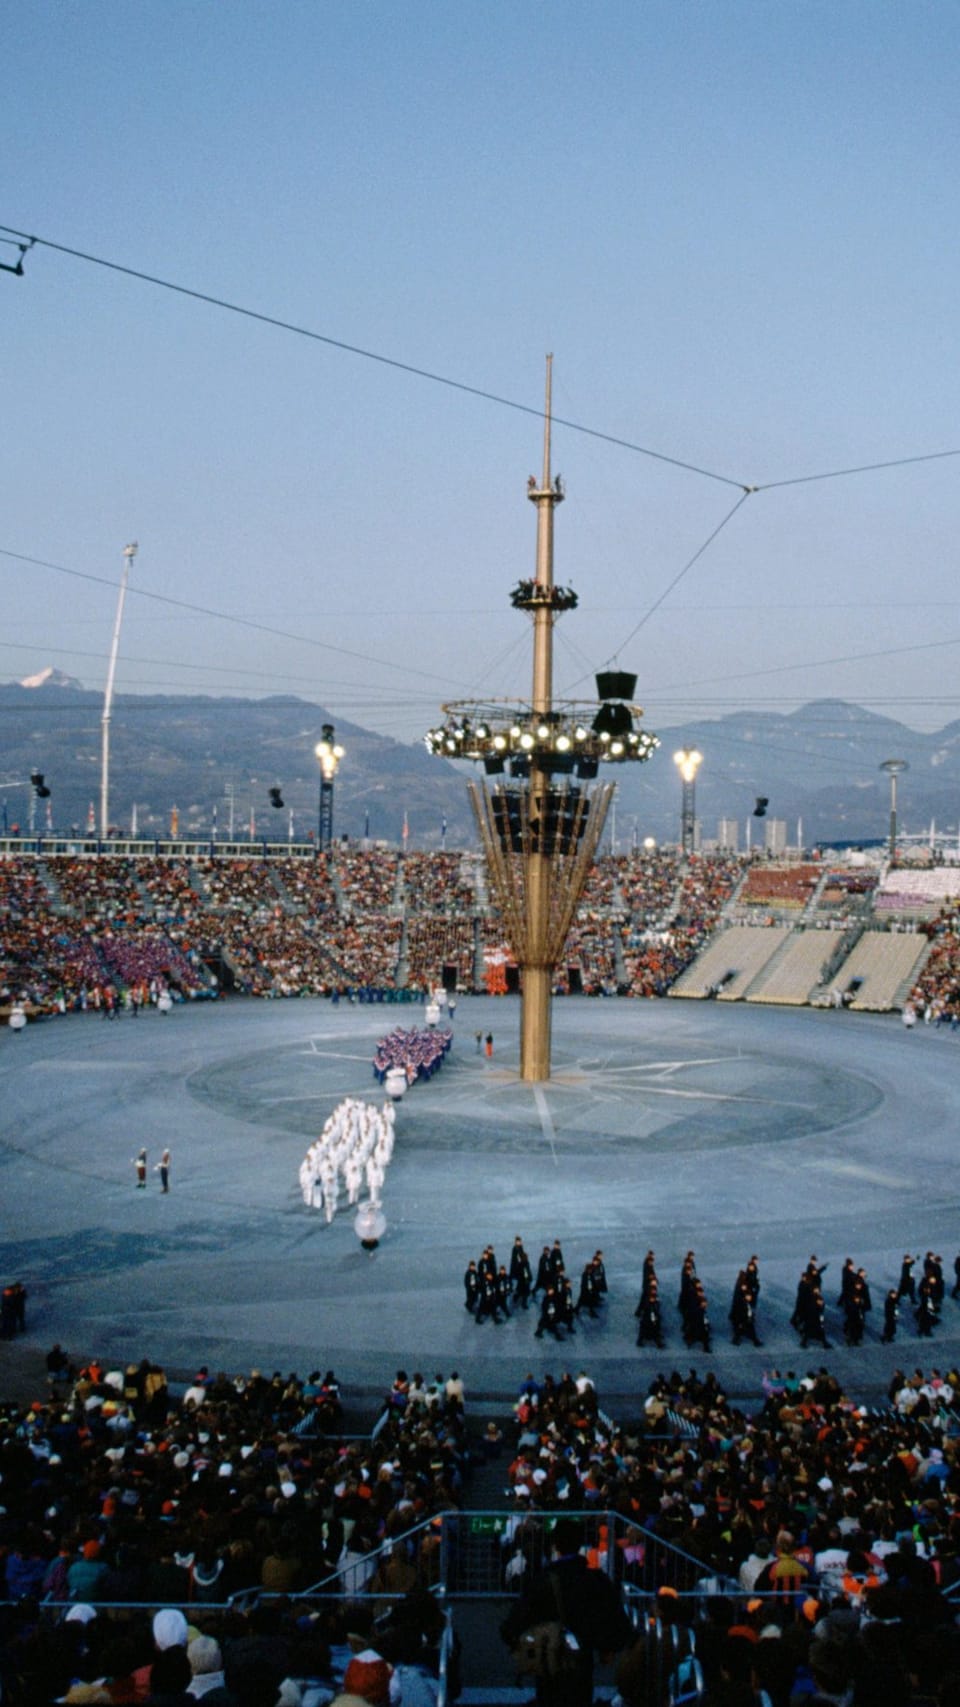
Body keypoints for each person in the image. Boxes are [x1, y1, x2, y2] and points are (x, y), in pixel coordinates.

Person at [500, 1516, 631, 1707]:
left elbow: (515, 1621)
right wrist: (607, 1648)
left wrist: (517, 1641)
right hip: (582, 1659)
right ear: (579, 1545)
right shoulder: (594, 1579)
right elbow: (615, 1619)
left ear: (555, 1545)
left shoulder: (542, 1581)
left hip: (548, 1657)